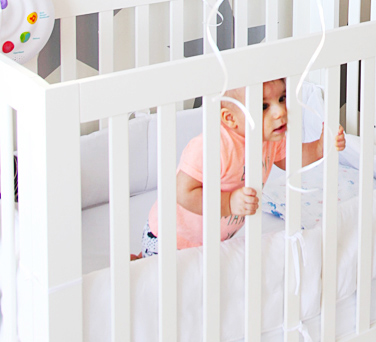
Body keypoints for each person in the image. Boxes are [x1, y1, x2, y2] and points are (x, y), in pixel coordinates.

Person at [138, 79, 345, 256]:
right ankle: (141, 259)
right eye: (264, 106)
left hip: (213, 240)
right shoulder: (215, 146)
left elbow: (291, 159)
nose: (280, 111)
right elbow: (182, 192)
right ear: (230, 118)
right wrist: (229, 203)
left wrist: (319, 147)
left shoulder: (270, 138)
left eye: (282, 98)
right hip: (171, 240)